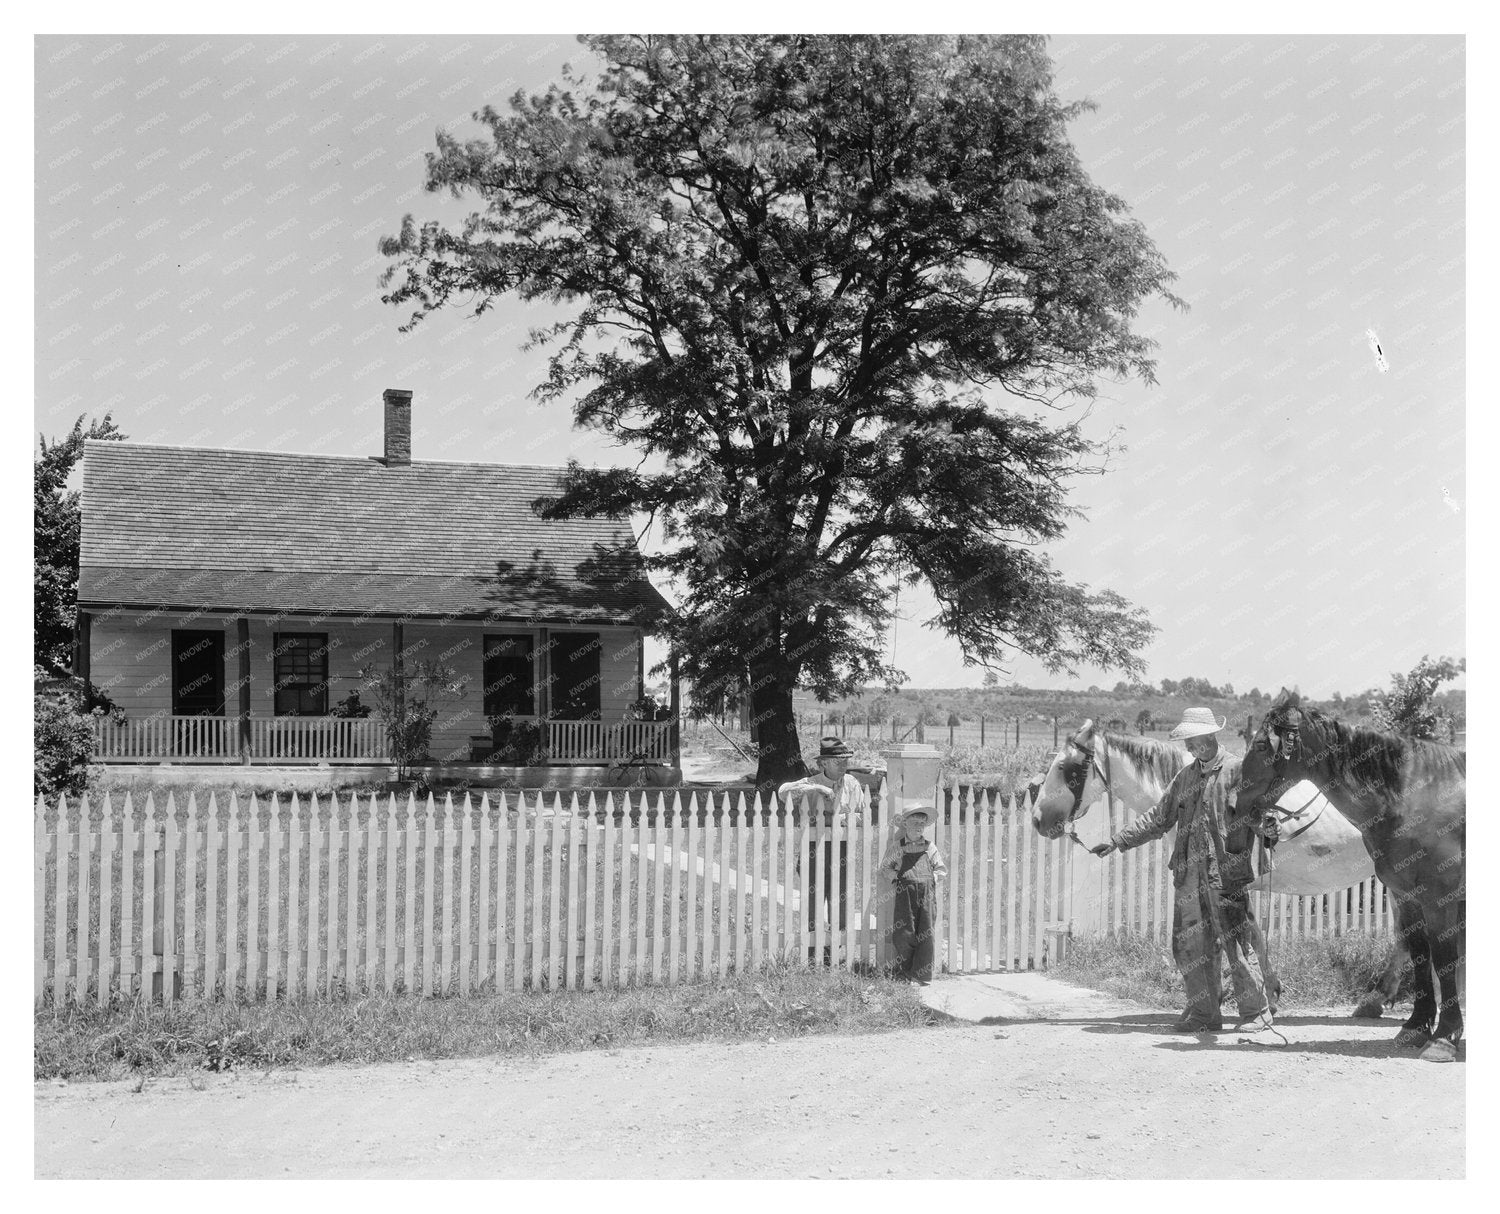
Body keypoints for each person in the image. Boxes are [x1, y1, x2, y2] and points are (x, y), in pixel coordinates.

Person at [1090, 707, 1279, 1032]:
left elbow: (1257, 813)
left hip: (1226, 877)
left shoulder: (1237, 770)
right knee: (1191, 947)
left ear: (1211, 735)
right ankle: (1204, 1014)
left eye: (1195, 740)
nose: (1190, 747)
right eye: (1187, 742)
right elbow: (1158, 818)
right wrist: (1118, 841)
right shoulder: (1185, 777)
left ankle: (1256, 1013)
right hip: (1189, 878)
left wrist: (1268, 827)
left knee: (1237, 944)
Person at [778, 737, 871, 952]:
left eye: (845, 760)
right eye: (838, 761)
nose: (843, 765)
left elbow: (862, 815)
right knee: (813, 900)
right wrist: (816, 788)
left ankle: (835, 951)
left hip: (842, 849)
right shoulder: (811, 783)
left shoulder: (851, 784)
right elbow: (783, 793)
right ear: (823, 763)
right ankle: (813, 951)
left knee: (840, 900)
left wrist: (837, 819)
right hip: (813, 850)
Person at [881, 806, 947, 985]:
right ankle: (907, 972)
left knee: (926, 932)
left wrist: (932, 878)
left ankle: (922, 975)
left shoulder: (929, 847)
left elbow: (941, 869)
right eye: (915, 822)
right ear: (905, 824)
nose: (919, 827)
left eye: (922, 823)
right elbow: (885, 867)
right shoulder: (898, 846)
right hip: (905, 895)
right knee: (904, 933)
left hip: (927, 895)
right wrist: (898, 877)